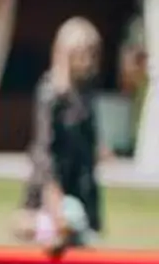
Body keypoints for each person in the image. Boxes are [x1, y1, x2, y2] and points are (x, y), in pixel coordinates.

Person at [21, 17, 106, 248]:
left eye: (92, 53)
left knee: (81, 257)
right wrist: (52, 193)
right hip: (52, 184)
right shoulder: (51, 93)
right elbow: (43, 146)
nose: (88, 60)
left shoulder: (86, 92)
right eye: (82, 52)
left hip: (82, 185)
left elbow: (87, 140)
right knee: (46, 255)